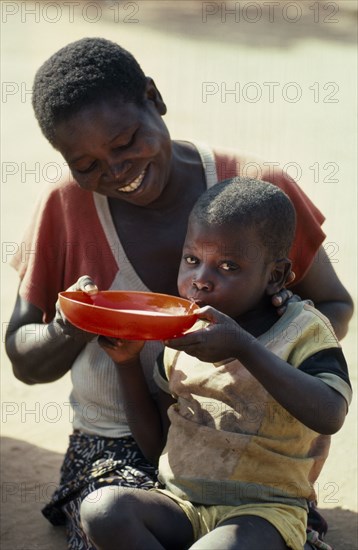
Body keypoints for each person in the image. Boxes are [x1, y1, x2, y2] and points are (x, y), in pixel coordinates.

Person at [4, 37, 352, 549]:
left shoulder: (254, 194)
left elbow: (335, 307)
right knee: (110, 518)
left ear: (153, 98)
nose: (116, 171)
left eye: (124, 143)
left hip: (251, 446)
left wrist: (268, 330)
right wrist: (70, 323)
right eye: (88, 164)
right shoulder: (65, 206)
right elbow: (24, 359)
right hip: (115, 445)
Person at [80, 178, 352, 550]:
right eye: (192, 260)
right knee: (103, 509)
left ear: (274, 276)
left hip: (264, 512)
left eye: (227, 266)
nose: (200, 281)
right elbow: (157, 444)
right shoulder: (179, 335)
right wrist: (127, 364)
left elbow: (330, 414)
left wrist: (243, 346)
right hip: (181, 504)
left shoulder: (303, 332)